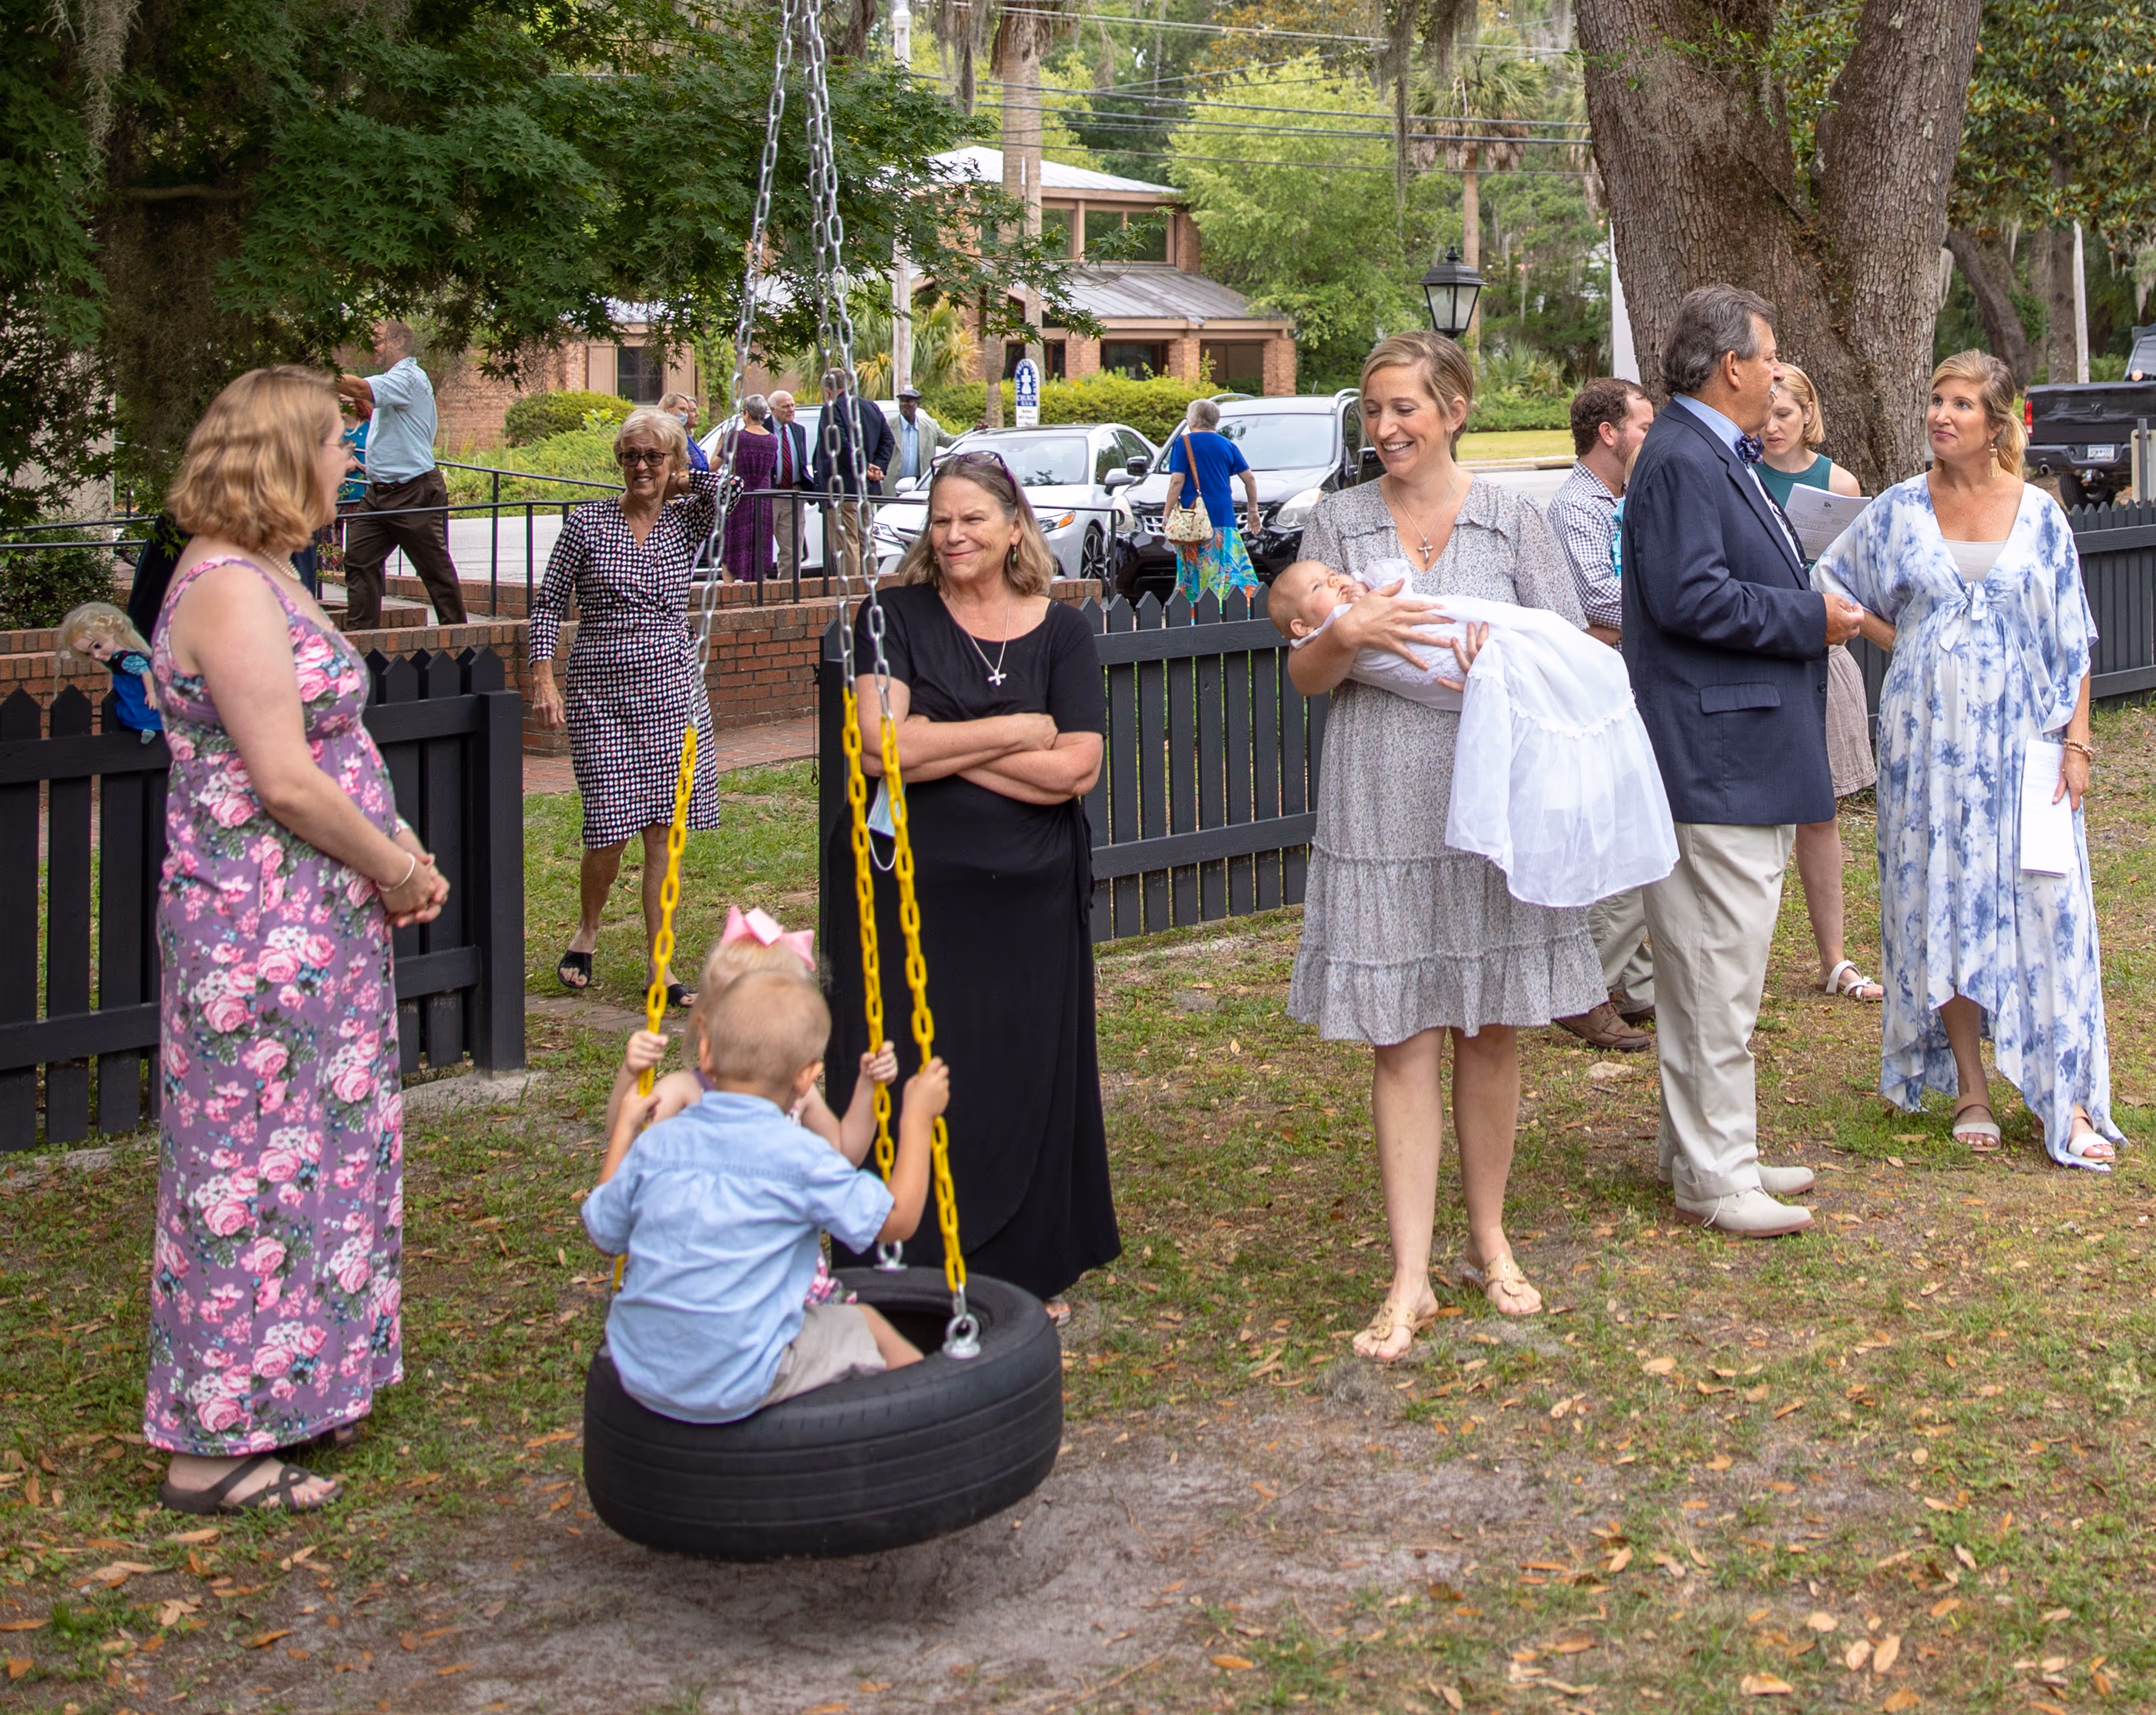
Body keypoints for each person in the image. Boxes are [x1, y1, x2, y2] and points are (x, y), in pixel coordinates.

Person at [145, 366, 447, 1513]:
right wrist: (396, 865)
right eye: (336, 442)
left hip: (318, 915)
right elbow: (279, 777)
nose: (352, 461)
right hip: (258, 928)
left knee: (317, 1155)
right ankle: (213, 1444)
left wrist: (392, 850)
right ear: (282, 454)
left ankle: (302, 1388)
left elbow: (336, 749)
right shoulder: (224, 588)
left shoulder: (274, 570)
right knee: (250, 1167)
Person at [1287, 330, 1605, 1350]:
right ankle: (1410, 1274)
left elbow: (1570, 657)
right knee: (1403, 1035)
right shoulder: (1334, 521)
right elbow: (1302, 674)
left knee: (1492, 1025)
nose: (1385, 429)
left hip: (1490, 789)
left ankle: (1491, 1240)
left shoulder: (1516, 520)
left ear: (1455, 409)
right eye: (1372, 412)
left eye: (1405, 410)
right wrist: (1344, 636)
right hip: (1379, 789)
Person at [823, 451, 1117, 1316]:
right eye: (939, 521)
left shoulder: (1060, 630)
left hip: (1029, 899)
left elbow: (1074, 771)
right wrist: (1016, 731)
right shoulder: (892, 615)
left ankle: (1023, 1267)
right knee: (911, 1060)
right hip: (908, 893)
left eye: (971, 520)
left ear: (1013, 528)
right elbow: (878, 749)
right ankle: (901, 1260)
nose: (951, 536)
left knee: (1019, 1066)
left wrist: (945, 745)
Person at [1813, 351, 2121, 1169]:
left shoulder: (2039, 514)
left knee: (2043, 907)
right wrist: (1903, 640)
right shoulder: (1896, 511)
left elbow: (2073, 639)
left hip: (2025, 744)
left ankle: (2068, 1095)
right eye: (1933, 399)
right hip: (1925, 749)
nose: (1938, 415)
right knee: (1940, 899)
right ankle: (1970, 1087)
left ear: (1995, 423)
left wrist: (2077, 744)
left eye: (1957, 404)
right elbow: (1833, 585)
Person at [1621, 285, 1870, 1238]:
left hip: (1737, 747)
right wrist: (1810, 616)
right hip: (1711, 752)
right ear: (1729, 366)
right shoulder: (1684, 457)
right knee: (1714, 974)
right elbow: (1691, 599)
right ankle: (1711, 1175)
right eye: (1768, 356)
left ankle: (1707, 1145)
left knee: (1715, 973)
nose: (1776, 372)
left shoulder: (1705, 452)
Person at [584, 970, 949, 1423]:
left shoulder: (660, 1142)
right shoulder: (800, 1157)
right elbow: (898, 1222)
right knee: (867, 1325)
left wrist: (624, 1131)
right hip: (742, 1376)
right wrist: (916, 1115)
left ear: (706, 1053)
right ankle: (935, 1433)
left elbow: (603, 1233)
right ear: (806, 1079)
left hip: (641, 1368)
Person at [1268, 559, 1676, 911]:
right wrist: (1350, 622)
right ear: (1301, 625)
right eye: (1321, 585)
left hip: (1472, 645)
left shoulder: (1508, 513)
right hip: (1411, 756)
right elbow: (1306, 674)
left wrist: (1362, 589)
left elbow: (1395, 581)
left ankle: (1576, 674)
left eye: (1333, 573)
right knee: (1528, 658)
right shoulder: (1329, 626)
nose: (1337, 580)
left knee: (1538, 638)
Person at [529, 406, 726, 1001]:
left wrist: (684, 477)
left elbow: (736, 490)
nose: (640, 466)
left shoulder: (685, 521)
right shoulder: (588, 523)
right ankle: (588, 929)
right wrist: (544, 678)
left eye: (653, 456)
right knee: (608, 827)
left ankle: (659, 966)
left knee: (664, 831)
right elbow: (547, 604)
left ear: (672, 461)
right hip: (600, 691)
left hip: (671, 688)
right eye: (631, 456)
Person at [1755, 364, 1887, 1005]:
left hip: (1821, 647)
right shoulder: (1741, 474)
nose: (1772, 427)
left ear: (1808, 414)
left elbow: (1852, 575)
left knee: (1820, 808)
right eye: (1765, 413)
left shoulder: (1837, 482)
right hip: (1758, 646)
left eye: (1785, 415)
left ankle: (1833, 957)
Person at [1546, 378, 1659, 1051]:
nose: (1651, 436)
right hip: (1595, 692)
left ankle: (1637, 984)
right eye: (1642, 424)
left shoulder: (1624, 501)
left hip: (1628, 678)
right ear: (1609, 433)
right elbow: (1597, 600)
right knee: (1627, 831)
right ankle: (1583, 986)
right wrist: (1663, 611)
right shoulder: (1576, 509)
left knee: (1639, 827)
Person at [334, 320, 467, 626]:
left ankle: (460, 640)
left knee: (434, 570)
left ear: (397, 342)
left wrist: (321, 372)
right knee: (358, 561)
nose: (373, 348)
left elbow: (357, 389)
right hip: (378, 494)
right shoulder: (392, 381)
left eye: (377, 341)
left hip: (414, 492)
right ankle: (364, 641)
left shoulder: (409, 378)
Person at [1161, 397, 1263, 605]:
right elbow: (1250, 479)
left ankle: (1196, 612)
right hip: (1224, 517)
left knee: (1195, 570)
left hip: (1195, 520)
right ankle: (1236, 608)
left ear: (1193, 419)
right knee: (1227, 567)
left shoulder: (1184, 443)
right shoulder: (1228, 445)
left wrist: (1167, 512)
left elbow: (1177, 481)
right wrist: (1253, 511)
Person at [813, 368, 895, 581]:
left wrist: (864, 468)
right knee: (867, 539)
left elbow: (838, 443)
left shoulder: (831, 409)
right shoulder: (870, 407)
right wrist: (877, 467)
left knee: (847, 540)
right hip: (867, 490)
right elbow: (888, 441)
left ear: (828, 391)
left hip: (845, 488)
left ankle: (853, 593)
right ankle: (870, 589)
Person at [56, 601, 162, 742]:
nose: (95, 655)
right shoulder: (117, 661)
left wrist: (151, 693)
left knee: (143, 712)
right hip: (129, 695)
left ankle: (150, 728)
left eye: (98, 646)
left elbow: (146, 673)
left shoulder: (128, 659)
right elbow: (116, 676)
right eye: (88, 654)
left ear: (112, 631)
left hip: (140, 693)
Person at [719, 396, 778, 581]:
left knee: (730, 551)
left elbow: (715, 464)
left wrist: (722, 442)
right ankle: (756, 592)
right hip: (763, 500)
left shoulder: (737, 438)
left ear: (746, 414)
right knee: (759, 548)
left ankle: (729, 595)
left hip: (740, 498)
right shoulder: (773, 440)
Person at [768, 389, 814, 579]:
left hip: (794, 493)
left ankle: (787, 593)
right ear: (773, 410)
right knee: (761, 546)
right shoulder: (763, 429)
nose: (791, 410)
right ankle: (758, 589)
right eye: (785, 406)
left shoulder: (798, 430)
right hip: (769, 494)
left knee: (792, 549)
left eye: (793, 405)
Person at [882, 384, 949, 496]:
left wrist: (972, 431)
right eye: (902, 401)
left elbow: (950, 441)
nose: (904, 404)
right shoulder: (889, 426)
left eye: (909, 401)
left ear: (917, 404)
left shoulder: (930, 426)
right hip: (892, 486)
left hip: (920, 486)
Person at [661, 392, 710, 472]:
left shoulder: (684, 437)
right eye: (682, 409)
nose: (685, 415)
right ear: (668, 409)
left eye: (687, 411)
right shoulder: (662, 436)